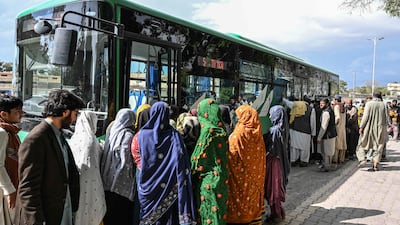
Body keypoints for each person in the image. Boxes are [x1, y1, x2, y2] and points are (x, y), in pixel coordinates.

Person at [15, 89, 84, 225]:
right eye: (75, 113)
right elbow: (28, 188)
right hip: (45, 217)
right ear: (65, 112)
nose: (76, 119)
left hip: (60, 214)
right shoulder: (36, 139)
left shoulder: (58, 135)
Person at [137, 102, 196, 224]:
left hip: (148, 185)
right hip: (169, 187)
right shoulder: (174, 135)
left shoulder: (143, 134)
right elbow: (180, 160)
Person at [191, 98, 229, 225]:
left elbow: (196, 160)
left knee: (208, 215)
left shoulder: (207, 131)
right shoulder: (222, 130)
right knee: (219, 212)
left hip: (207, 181)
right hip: (222, 178)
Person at [227, 105, 266, 225]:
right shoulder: (257, 133)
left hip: (239, 178)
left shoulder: (237, 135)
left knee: (240, 200)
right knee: (252, 199)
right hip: (256, 176)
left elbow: (231, 156)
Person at [100, 108, 136, 225]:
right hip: (122, 184)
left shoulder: (112, 132)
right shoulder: (128, 135)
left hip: (107, 181)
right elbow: (126, 161)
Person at [69, 111, 106, 225]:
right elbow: (96, 159)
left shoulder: (73, 139)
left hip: (76, 184)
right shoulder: (91, 140)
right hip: (91, 186)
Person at [264, 105, 290, 223]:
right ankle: (279, 212)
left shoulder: (274, 130)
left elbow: (272, 149)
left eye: (272, 114)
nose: (270, 116)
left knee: (273, 189)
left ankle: (276, 215)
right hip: (280, 163)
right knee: (277, 189)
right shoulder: (283, 128)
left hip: (273, 163)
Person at [0, 95, 23, 225]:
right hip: (5, 189)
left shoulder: (11, 132)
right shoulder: (3, 133)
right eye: (16, 112)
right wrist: (10, 190)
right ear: (4, 114)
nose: (21, 114)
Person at [357, 92, 390, 171]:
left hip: (369, 128)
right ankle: (375, 165)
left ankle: (362, 159)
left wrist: (361, 127)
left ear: (373, 96)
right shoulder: (384, 104)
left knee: (361, 144)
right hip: (381, 128)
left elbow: (365, 117)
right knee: (379, 147)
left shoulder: (369, 104)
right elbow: (387, 117)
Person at [283, 96, 316, 167]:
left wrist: (283, 98)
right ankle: (303, 161)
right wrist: (313, 133)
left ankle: (293, 160)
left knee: (294, 147)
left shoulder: (296, 105)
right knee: (305, 148)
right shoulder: (311, 109)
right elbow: (312, 122)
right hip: (306, 132)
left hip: (294, 129)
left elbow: (288, 103)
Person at [317, 98, 337, 172]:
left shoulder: (326, 113)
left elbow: (324, 126)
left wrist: (319, 137)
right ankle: (327, 165)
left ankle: (327, 167)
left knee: (326, 152)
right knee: (328, 152)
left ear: (327, 104)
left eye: (322, 103)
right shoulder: (329, 111)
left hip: (328, 135)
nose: (321, 105)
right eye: (320, 103)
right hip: (331, 134)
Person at [332, 95, 347, 164]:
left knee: (337, 144)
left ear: (335, 100)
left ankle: (335, 159)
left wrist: (334, 124)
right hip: (342, 128)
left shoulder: (336, 106)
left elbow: (337, 117)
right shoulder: (343, 106)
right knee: (343, 144)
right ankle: (341, 159)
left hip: (337, 127)